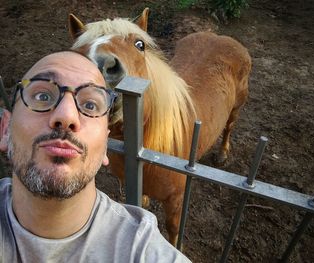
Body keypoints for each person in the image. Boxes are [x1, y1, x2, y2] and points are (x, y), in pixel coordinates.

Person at [0, 51, 191, 263]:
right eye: (42, 96)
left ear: (105, 146)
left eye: (90, 105)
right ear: (5, 129)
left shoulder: (144, 252)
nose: (66, 116)